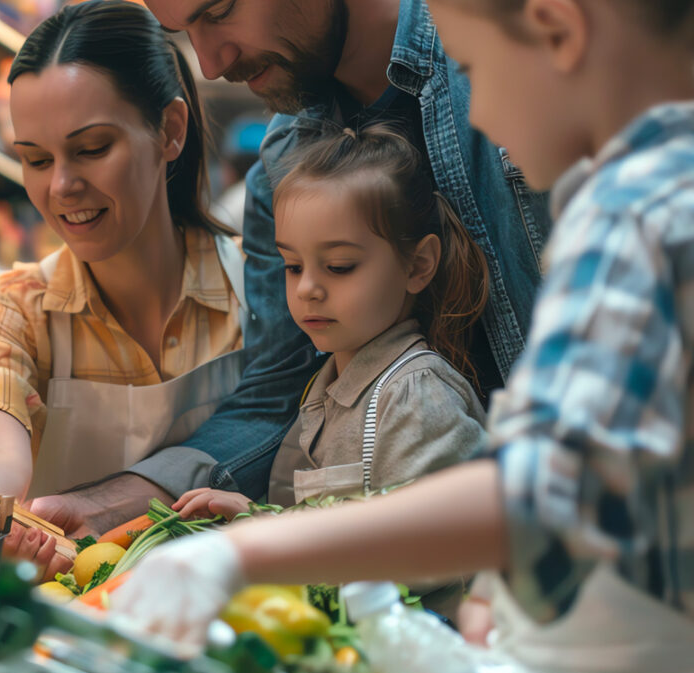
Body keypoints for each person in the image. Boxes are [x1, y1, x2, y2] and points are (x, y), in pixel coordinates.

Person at [110, 0, 694, 670]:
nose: (476, 114)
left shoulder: (637, 212)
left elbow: (541, 494)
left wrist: (242, 551)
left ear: (558, 29)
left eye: (474, 67)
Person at [28, 0, 551, 539]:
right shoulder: (281, 166)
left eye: (220, 10)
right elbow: (274, 397)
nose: (209, 63)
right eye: (184, 31)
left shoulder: (526, 58)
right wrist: (113, 504)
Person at [0, 1, 246, 571]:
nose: (62, 186)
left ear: (170, 130)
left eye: (93, 148)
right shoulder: (8, 309)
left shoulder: (267, 292)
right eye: (35, 159)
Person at [178, 124, 488, 526]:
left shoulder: (415, 398)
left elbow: (423, 548)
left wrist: (270, 530)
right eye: (292, 266)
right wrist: (257, 517)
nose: (307, 289)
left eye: (339, 267)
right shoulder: (328, 382)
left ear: (418, 265)